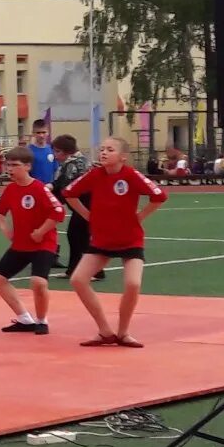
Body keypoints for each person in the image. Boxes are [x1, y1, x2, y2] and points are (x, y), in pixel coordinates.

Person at [64, 137, 169, 348]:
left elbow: (159, 196)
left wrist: (140, 216)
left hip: (130, 239)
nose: (103, 153)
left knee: (133, 284)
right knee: (78, 279)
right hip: (102, 239)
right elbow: (69, 193)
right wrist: (87, 215)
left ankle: (123, 332)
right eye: (101, 149)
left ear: (122, 156)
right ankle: (104, 331)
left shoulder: (131, 175)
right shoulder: (95, 175)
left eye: (109, 150)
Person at [0, 148, 65, 334]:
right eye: (8, 165)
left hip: (43, 244)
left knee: (38, 282)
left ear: (28, 167)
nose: (10, 169)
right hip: (21, 244)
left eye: (15, 165)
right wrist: (7, 231)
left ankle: (42, 320)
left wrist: (41, 231)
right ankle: (24, 319)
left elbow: (58, 212)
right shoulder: (11, 189)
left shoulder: (39, 188)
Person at [51, 135, 101, 281]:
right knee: (75, 236)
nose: (55, 155)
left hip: (85, 205)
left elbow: (66, 187)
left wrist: (54, 197)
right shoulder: (82, 161)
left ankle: (95, 271)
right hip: (83, 205)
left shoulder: (73, 164)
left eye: (56, 152)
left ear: (64, 151)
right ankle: (73, 270)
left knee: (81, 238)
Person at [28, 120, 57, 185]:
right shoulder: (28, 151)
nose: (41, 135)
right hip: (33, 189)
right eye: (38, 133)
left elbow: (56, 170)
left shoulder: (53, 150)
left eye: (44, 132)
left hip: (49, 189)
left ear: (48, 133)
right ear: (33, 133)